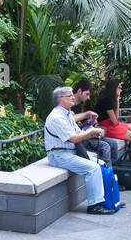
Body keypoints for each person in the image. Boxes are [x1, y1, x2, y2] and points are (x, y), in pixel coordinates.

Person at [45, 86, 119, 215]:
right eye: (70, 96)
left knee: (101, 165)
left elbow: (79, 133)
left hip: (70, 152)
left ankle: (108, 200)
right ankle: (94, 206)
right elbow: (73, 139)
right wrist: (92, 131)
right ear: (60, 99)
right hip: (59, 155)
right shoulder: (57, 117)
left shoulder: (66, 114)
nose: (73, 97)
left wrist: (90, 125)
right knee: (93, 168)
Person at [94, 78, 131, 162]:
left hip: (112, 124)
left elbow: (115, 119)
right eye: (119, 88)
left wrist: (117, 101)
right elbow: (114, 121)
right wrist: (117, 102)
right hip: (106, 127)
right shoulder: (106, 99)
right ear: (114, 88)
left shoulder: (110, 98)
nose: (121, 90)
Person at [69, 79, 114, 165]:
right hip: (76, 140)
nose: (88, 98)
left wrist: (88, 123)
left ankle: (113, 173)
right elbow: (70, 119)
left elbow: (78, 126)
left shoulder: (79, 105)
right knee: (105, 146)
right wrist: (87, 113)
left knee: (113, 142)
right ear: (79, 91)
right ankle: (107, 174)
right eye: (87, 94)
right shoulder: (69, 105)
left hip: (82, 134)